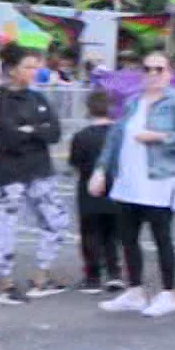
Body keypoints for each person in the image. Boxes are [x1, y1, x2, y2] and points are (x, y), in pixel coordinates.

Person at [91, 52, 175, 318]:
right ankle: (135, 290)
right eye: (147, 69)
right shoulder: (133, 101)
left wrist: (160, 137)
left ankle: (168, 293)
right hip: (128, 180)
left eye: (159, 69)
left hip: (160, 179)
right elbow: (115, 138)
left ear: (169, 73)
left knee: (162, 236)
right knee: (128, 237)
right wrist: (101, 170)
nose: (152, 74)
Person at [0, 45, 70, 304]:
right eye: (28, 66)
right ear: (12, 70)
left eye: (36, 66)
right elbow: (8, 136)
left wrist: (29, 130)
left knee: (56, 220)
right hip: (8, 172)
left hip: (40, 170)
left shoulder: (38, 99)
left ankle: (42, 272)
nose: (34, 71)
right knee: (6, 225)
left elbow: (54, 132)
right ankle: (5, 280)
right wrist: (34, 131)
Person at [67, 90, 123, 293]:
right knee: (113, 234)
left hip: (89, 188)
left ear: (89, 109)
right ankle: (114, 273)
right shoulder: (120, 134)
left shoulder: (81, 136)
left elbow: (75, 163)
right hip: (116, 189)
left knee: (90, 233)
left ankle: (93, 276)